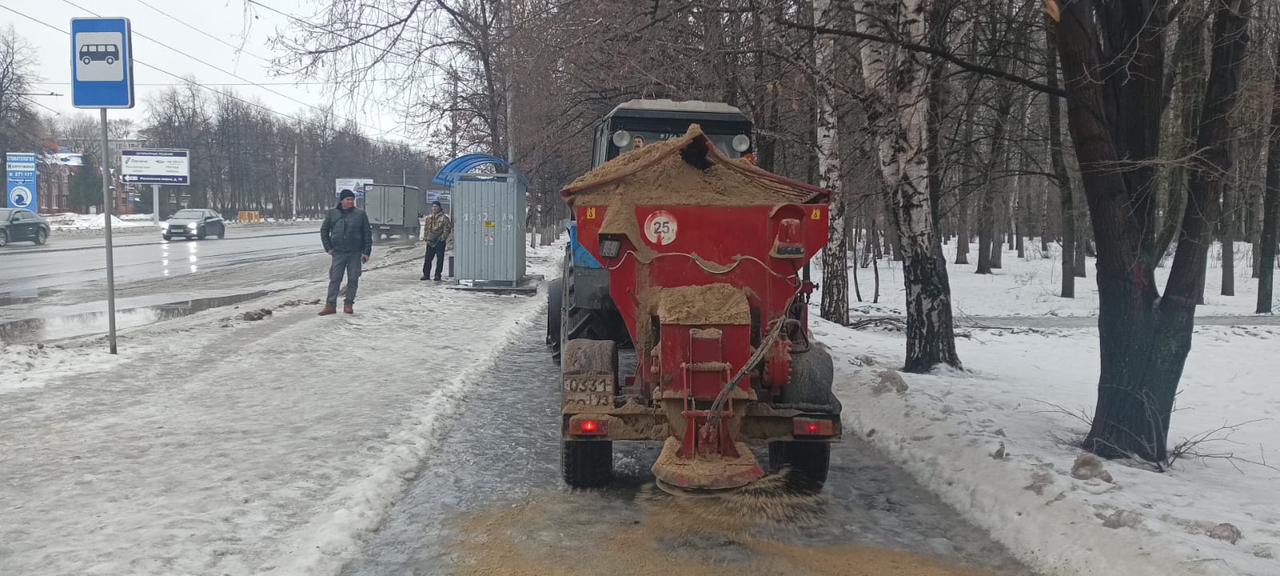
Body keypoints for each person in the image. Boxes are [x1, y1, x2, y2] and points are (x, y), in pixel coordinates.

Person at [319, 189, 372, 315]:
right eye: (348, 199)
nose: (350, 202)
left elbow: (367, 234)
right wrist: (329, 248)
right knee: (335, 279)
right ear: (341, 200)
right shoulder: (333, 213)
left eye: (352, 199)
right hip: (338, 252)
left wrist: (366, 252)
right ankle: (330, 305)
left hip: (355, 252)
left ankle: (349, 304)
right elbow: (324, 231)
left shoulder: (360, 214)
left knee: (353, 279)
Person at [421, 200, 452, 281]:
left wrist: (442, 238)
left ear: (439, 208)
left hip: (439, 241)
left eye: (436, 206)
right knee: (427, 259)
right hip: (430, 241)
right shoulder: (429, 218)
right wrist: (426, 238)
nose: (434, 208)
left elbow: (447, 229)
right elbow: (426, 229)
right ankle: (426, 275)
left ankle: (438, 275)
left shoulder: (444, 218)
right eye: (433, 206)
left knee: (439, 259)